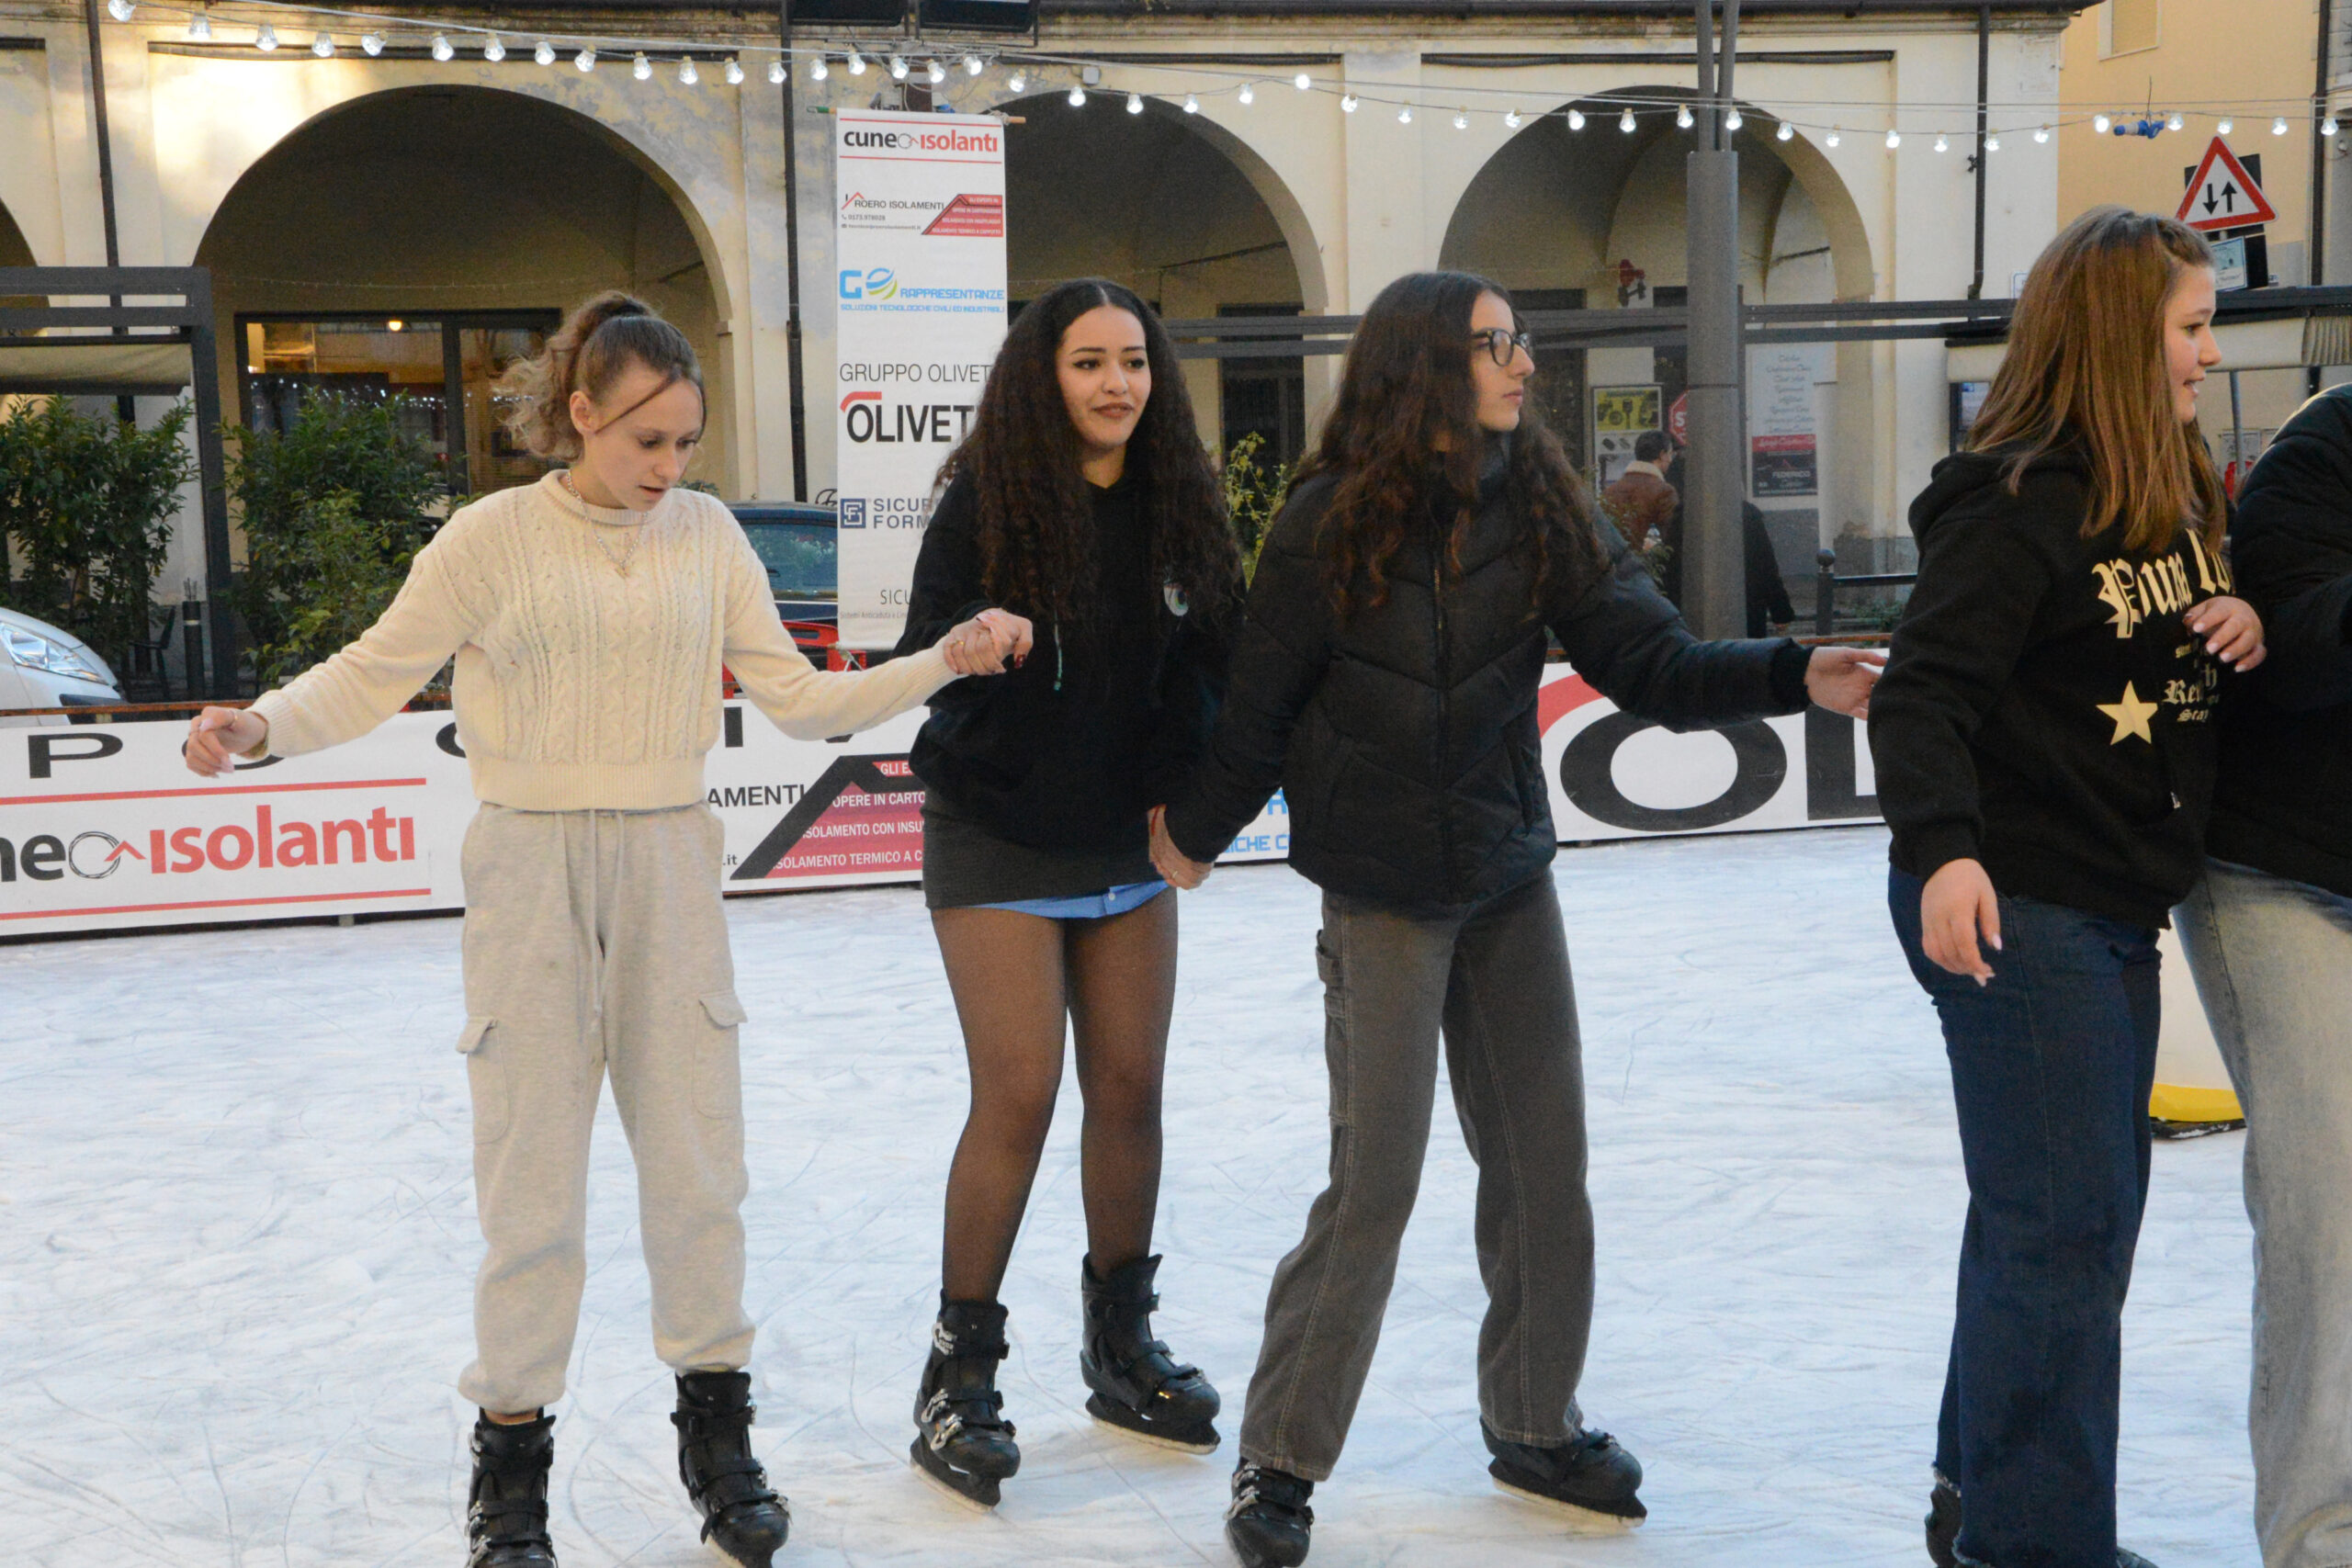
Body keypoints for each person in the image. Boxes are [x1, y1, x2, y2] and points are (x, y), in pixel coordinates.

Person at [182, 292, 1029, 1568]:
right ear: (580, 414)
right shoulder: (488, 538)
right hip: (528, 867)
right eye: (648, 442)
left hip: (670, 864)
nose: (669, 469)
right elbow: (370, 670)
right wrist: (256, 726)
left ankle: (718, 1437)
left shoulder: (708, 538)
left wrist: (942, 658)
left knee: (699, 1171)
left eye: (686, 443)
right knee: (530, 1184)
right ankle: (511, 1466)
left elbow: (800, 701)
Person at [1145, 270, 1882, 1568]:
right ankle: (1283, 1452)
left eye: (1520, 341)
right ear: (1426, 366)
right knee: (1375, 1180)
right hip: (1379, 888)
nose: (1523, 364)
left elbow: (1648, 658)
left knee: (1546, 1161)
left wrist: (1789, 670)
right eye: (1496, 344)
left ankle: (1535, 1418)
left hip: (1503, 873)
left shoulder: (1541, 504)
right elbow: (1260, 701)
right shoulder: (1325, 520)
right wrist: (1194, 831)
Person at [1867, 207, 2265, 1568]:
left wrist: (2241, 618)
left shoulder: (2174, 488)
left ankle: (1978, 1493)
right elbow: (1921, 696)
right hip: (2013, 896)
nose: (2208, 353)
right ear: (2117, 336)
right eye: (2191, 326)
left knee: (2044, 1216)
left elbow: (2161, 656)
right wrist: (1946, 846)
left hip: (2104, 902)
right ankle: (2036, 1544)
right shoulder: (2020, 502)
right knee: (2067, 1231)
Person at [891, 278, 1242, 1508]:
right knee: (1023, 1089)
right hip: (999, 834)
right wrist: (987, 654)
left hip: (1130, 843)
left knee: (1132, 1084)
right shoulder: (987, 501)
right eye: (1089, 361)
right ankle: (959, 1371)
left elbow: (1211, 668)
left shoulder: (1180, 502)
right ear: (1044, 377)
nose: (1116, 383)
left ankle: (1119, 1342)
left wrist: (1176, 797)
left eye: (1133, 361)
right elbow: (934, 655)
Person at [2173, 384, 2352, 1568]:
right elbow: (2284, 646)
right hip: (2285, 874)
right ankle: (2318, 1535)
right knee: (2329, 1218)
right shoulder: (2321, 450)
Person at [1600, 429, 1677, 550]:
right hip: (1646, 565)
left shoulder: (1610, 491)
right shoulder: (1664, 492)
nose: (1671, 460)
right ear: (1662, 455)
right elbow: (1672, 541)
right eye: (1670, 454)